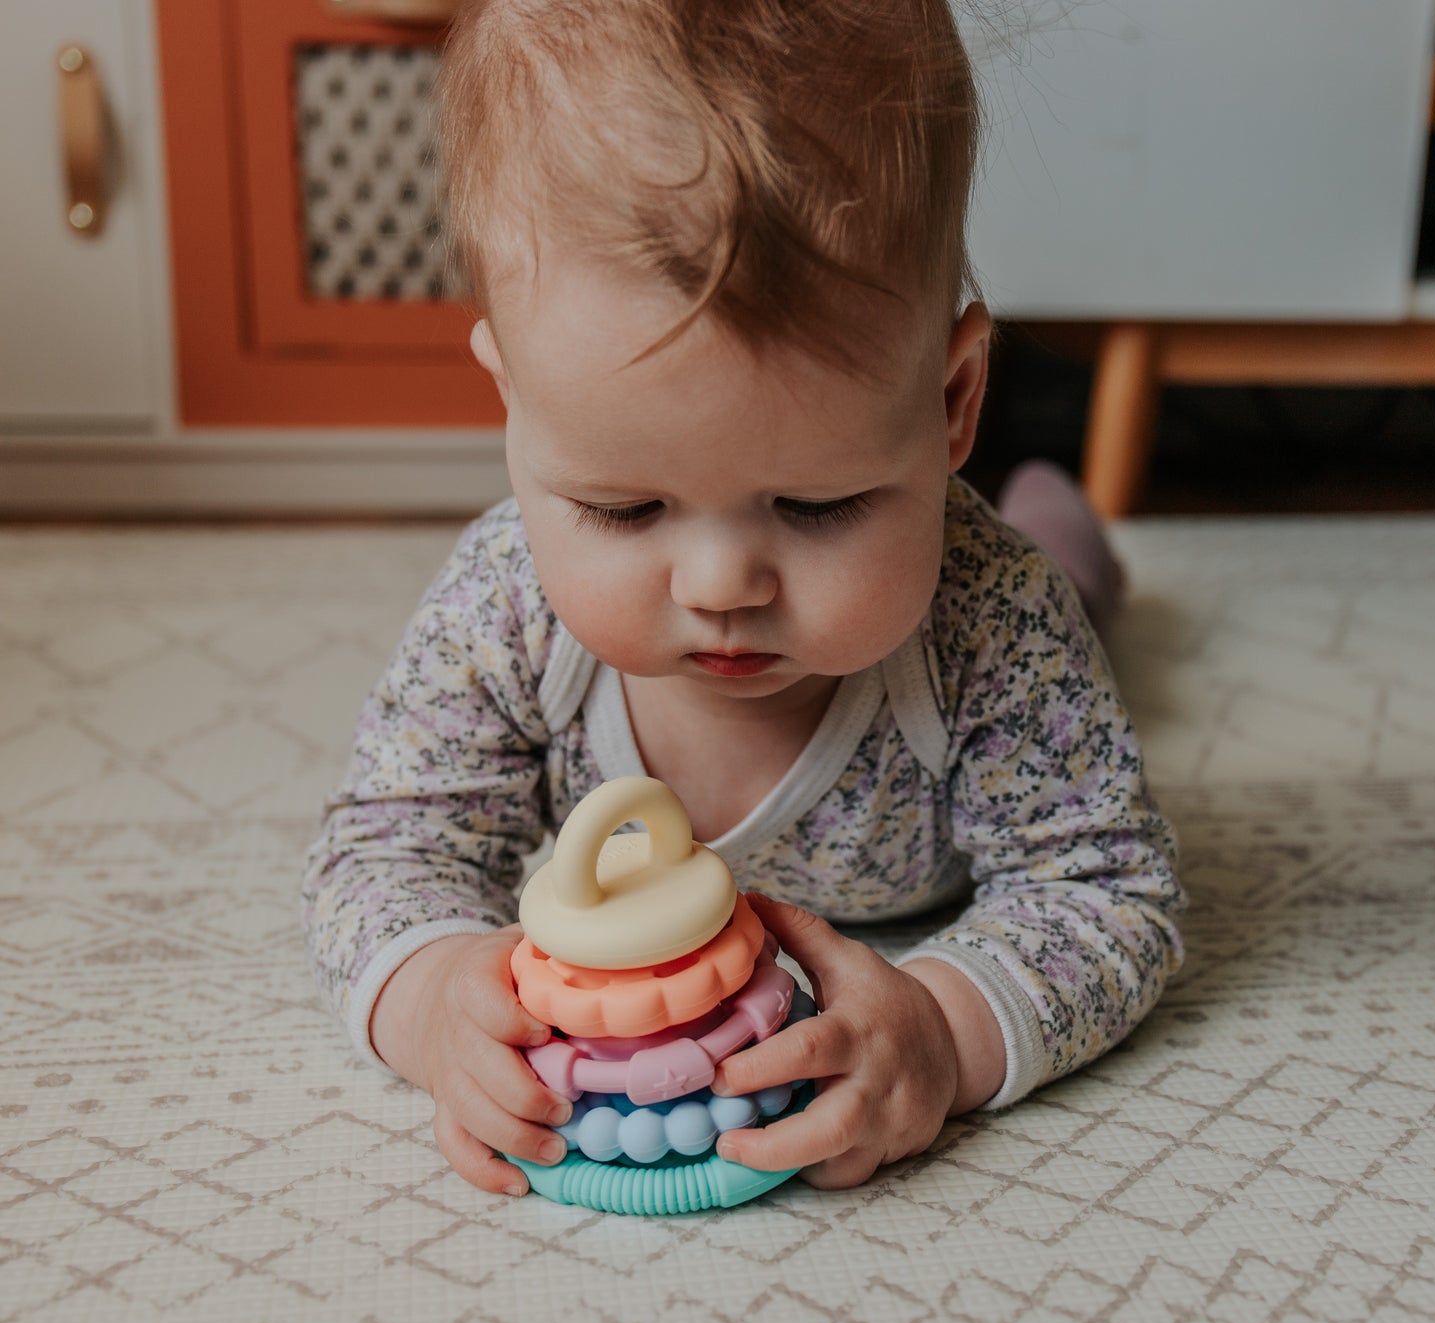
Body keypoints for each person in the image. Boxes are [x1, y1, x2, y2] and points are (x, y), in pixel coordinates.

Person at [302, 0, 1184, 1197]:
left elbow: (1106, 886)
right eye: (623, 509)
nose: (721, 587)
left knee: (1060, 579)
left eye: (817, 506)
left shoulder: (994, 621)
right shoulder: (501, 610)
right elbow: (383, 843)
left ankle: (1058, 521)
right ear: (512, 404)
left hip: (1008, 609)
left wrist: (940, 1025)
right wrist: (432, 999)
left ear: (949, 401)